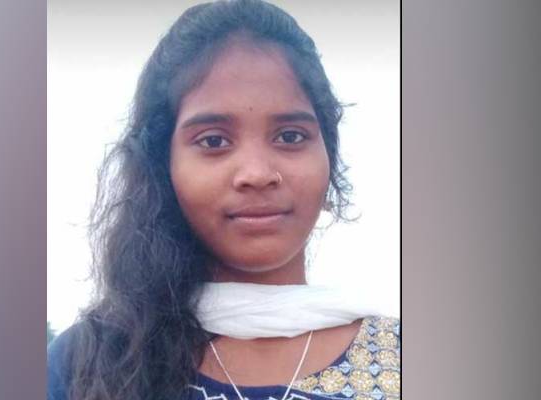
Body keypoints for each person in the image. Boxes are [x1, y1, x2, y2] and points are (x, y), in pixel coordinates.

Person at [47, 1, 400, 400]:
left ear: (328, 158)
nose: (257, 173)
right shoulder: (86, 365)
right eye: (214, 141)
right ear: (164, 166)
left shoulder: (403, 361)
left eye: (290, 136)